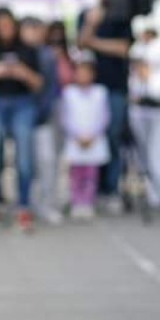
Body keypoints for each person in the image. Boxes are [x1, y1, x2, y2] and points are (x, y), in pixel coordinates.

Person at [0, 8, 43, 233]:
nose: (5, 30)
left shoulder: (27, 50)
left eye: (9, 25)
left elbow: (39, 84)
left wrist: (22, 72)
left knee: (24, 161)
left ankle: (23, 208)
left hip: (22, 103)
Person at [77, 0, 133, 214]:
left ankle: (111, 189)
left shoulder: (122, 16)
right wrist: (91, 25)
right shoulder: (87, 15)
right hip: (89, 90)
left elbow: (123, 48)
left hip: (115, 88)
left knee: (112, 138)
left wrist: (95, 43)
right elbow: (80, 43)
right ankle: (91, 190)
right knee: (91, 137)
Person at [127, 22, 160, 209]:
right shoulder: (138, 47)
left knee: (158, 151)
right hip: (141, 106)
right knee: (142, 152)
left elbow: (153, 72)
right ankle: (149, 190)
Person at [20, 17, 63, 225]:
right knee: (27, 164)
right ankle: (27, 203)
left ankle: (46, 203)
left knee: (47, 162)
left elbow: (49, 90)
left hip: (41, 118)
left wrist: (41, 114)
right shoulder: (18, 54)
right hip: (21, 117)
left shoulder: (46, 56)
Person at [60, 56, 110, 221]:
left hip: (94, 139)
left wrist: (92, 135)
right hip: (76, 140)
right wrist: (77, 135)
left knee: (91, 174)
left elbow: (104, 117)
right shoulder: (68, 93)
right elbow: (65, 117)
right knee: (76, 174)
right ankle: (76, 202)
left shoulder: (100, 92)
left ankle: (87, 202)